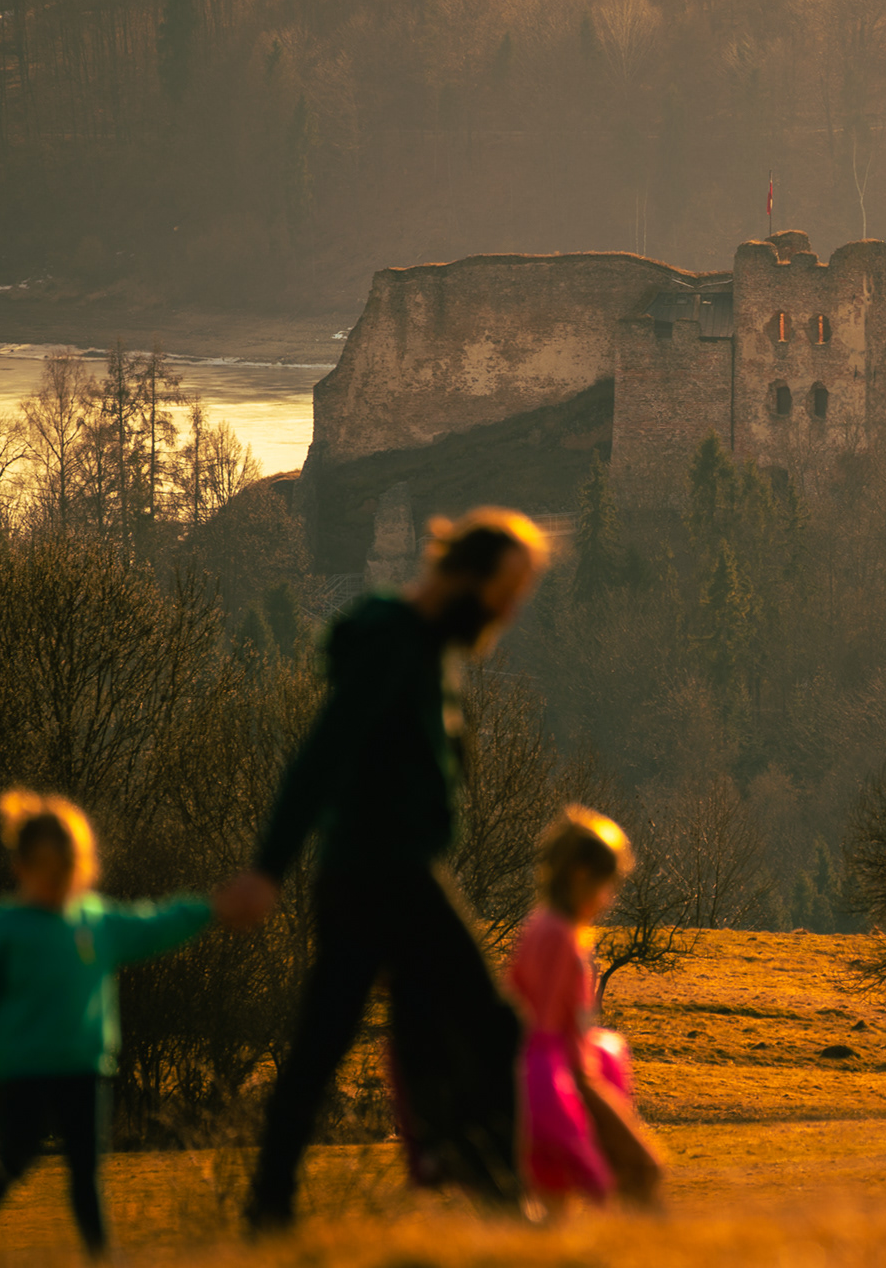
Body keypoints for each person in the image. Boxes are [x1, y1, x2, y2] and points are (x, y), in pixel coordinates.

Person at [213, 507, 551, 1232]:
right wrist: (266, 868)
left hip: (374, 871)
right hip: (383, 872)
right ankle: (499, 1189)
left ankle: (271, 1206)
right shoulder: (395, 643)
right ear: (466, 577)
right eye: (505, 593)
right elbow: (323, 752)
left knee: (334, 1039)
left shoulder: (426, 647)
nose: (508, 611)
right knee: (492, 1026)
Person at [0, 789, 218, 1263]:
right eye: (46, 868)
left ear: (82, 865)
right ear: (21, 867)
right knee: (16, 1156)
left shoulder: (95, 921)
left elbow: (152, 925)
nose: (57, 878)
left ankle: (100, 1256)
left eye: (66, 867)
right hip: (24, 1068)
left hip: (84, 1066)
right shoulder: (2, 928)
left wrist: (209, 909)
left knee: (86, 1167)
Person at [505, 806, 663, 1209]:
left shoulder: (541, 926)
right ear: (579, 876)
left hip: (555, 1074)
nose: (607, 899)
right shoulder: (559, 936)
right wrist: (580, 1087)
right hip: (563, 1078)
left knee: (555, 1193)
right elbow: (543, 1027)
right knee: (642, 1169)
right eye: (604, 885)